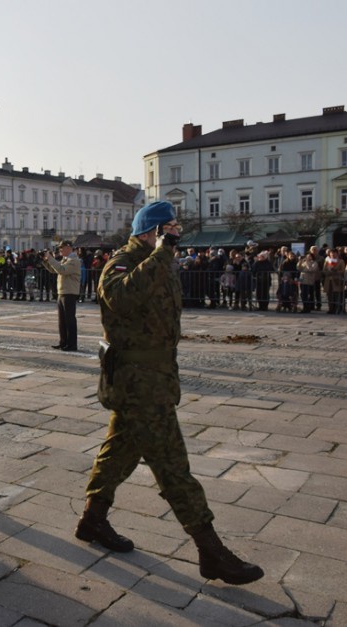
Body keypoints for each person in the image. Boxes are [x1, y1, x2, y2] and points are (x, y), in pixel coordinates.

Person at [77, 200, 263, 586]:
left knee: (118, 453)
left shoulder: (161, 261)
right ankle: (211, 551)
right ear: (150, 231)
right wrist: (161, 254)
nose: (173, 236)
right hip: (137, 382)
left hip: (155, 376)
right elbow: (120, 298)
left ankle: (93, 520)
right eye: (168, 229)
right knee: (172, 465)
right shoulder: (124, 262)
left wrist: (163, 255)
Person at [40, 240, 81, 351]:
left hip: (69, 292)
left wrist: (51, 259)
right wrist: (46, 261)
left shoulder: (74, 260)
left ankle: (72, 344)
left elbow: (62, 270)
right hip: (62, 292)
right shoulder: (66, 260)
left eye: (62, 248)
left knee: (70, 320)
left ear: (69, 247)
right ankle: (63, 342)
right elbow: (54, 270)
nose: (60, 250)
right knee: (62, 321)